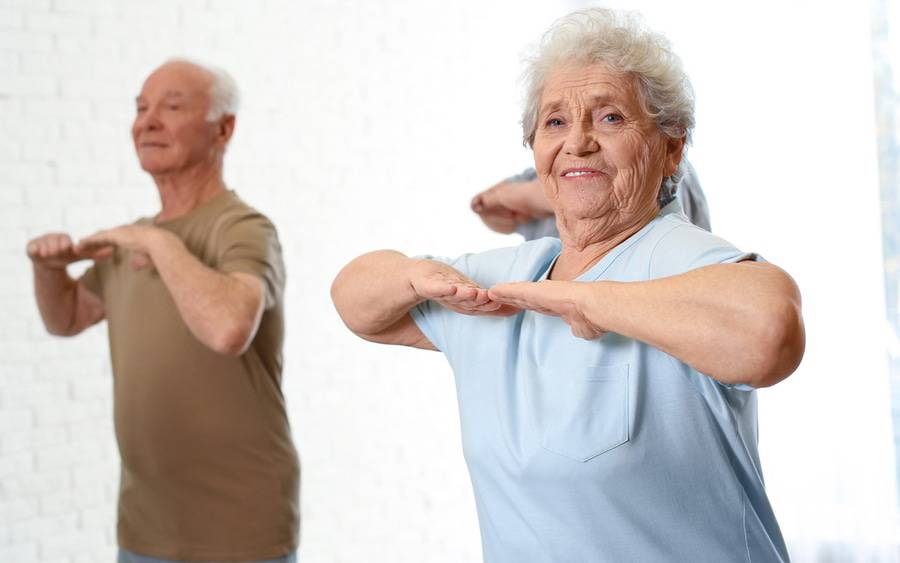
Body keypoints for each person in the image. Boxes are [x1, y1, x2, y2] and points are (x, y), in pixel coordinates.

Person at [332, 8, 804, 563]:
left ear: (671, 147)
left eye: (609, 118)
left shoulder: (682, 257)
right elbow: (356, 301)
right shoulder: (506, 276)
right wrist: (413, 273)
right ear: (534, 150)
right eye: (555, 123)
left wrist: (585, 299)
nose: (577, 143)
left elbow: (770, 329)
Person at [26, 60, 299, 563]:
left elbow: (227, 327)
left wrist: (156, 240)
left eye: (171, 107)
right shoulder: (129, 237)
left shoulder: (242, 227)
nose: (147, 121)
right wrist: (48, 269)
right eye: (140, 108)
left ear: (224, 128)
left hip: (237, 529)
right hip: (144, 527)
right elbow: (66, 318)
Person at [471, 158, 710, 239]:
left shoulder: (662, 167)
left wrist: (529, 196)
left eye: (611, 118)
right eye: (556, 122)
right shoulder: (549, 167)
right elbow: (492, 208)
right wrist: (508, 198)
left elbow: (622, 201)